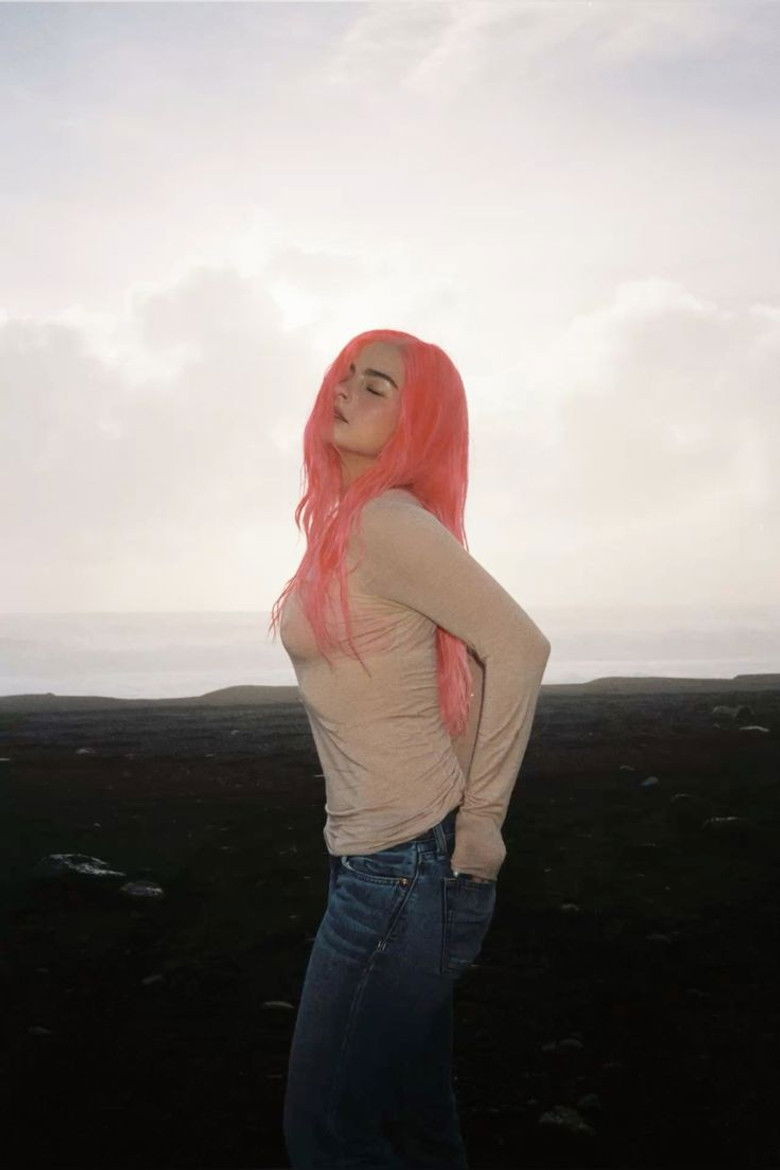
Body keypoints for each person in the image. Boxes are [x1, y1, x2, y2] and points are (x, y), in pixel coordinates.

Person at [268, 329, 551, 1169]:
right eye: (346, 375)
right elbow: (461, 670)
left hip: (401, 867)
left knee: (326, 1132)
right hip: (386, 856)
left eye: (376, 386)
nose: (344, 390)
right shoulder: (354, 524)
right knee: (415, 1122)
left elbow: (519, 647)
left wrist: (480, 823)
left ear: (416, 422)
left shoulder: (388, 524)